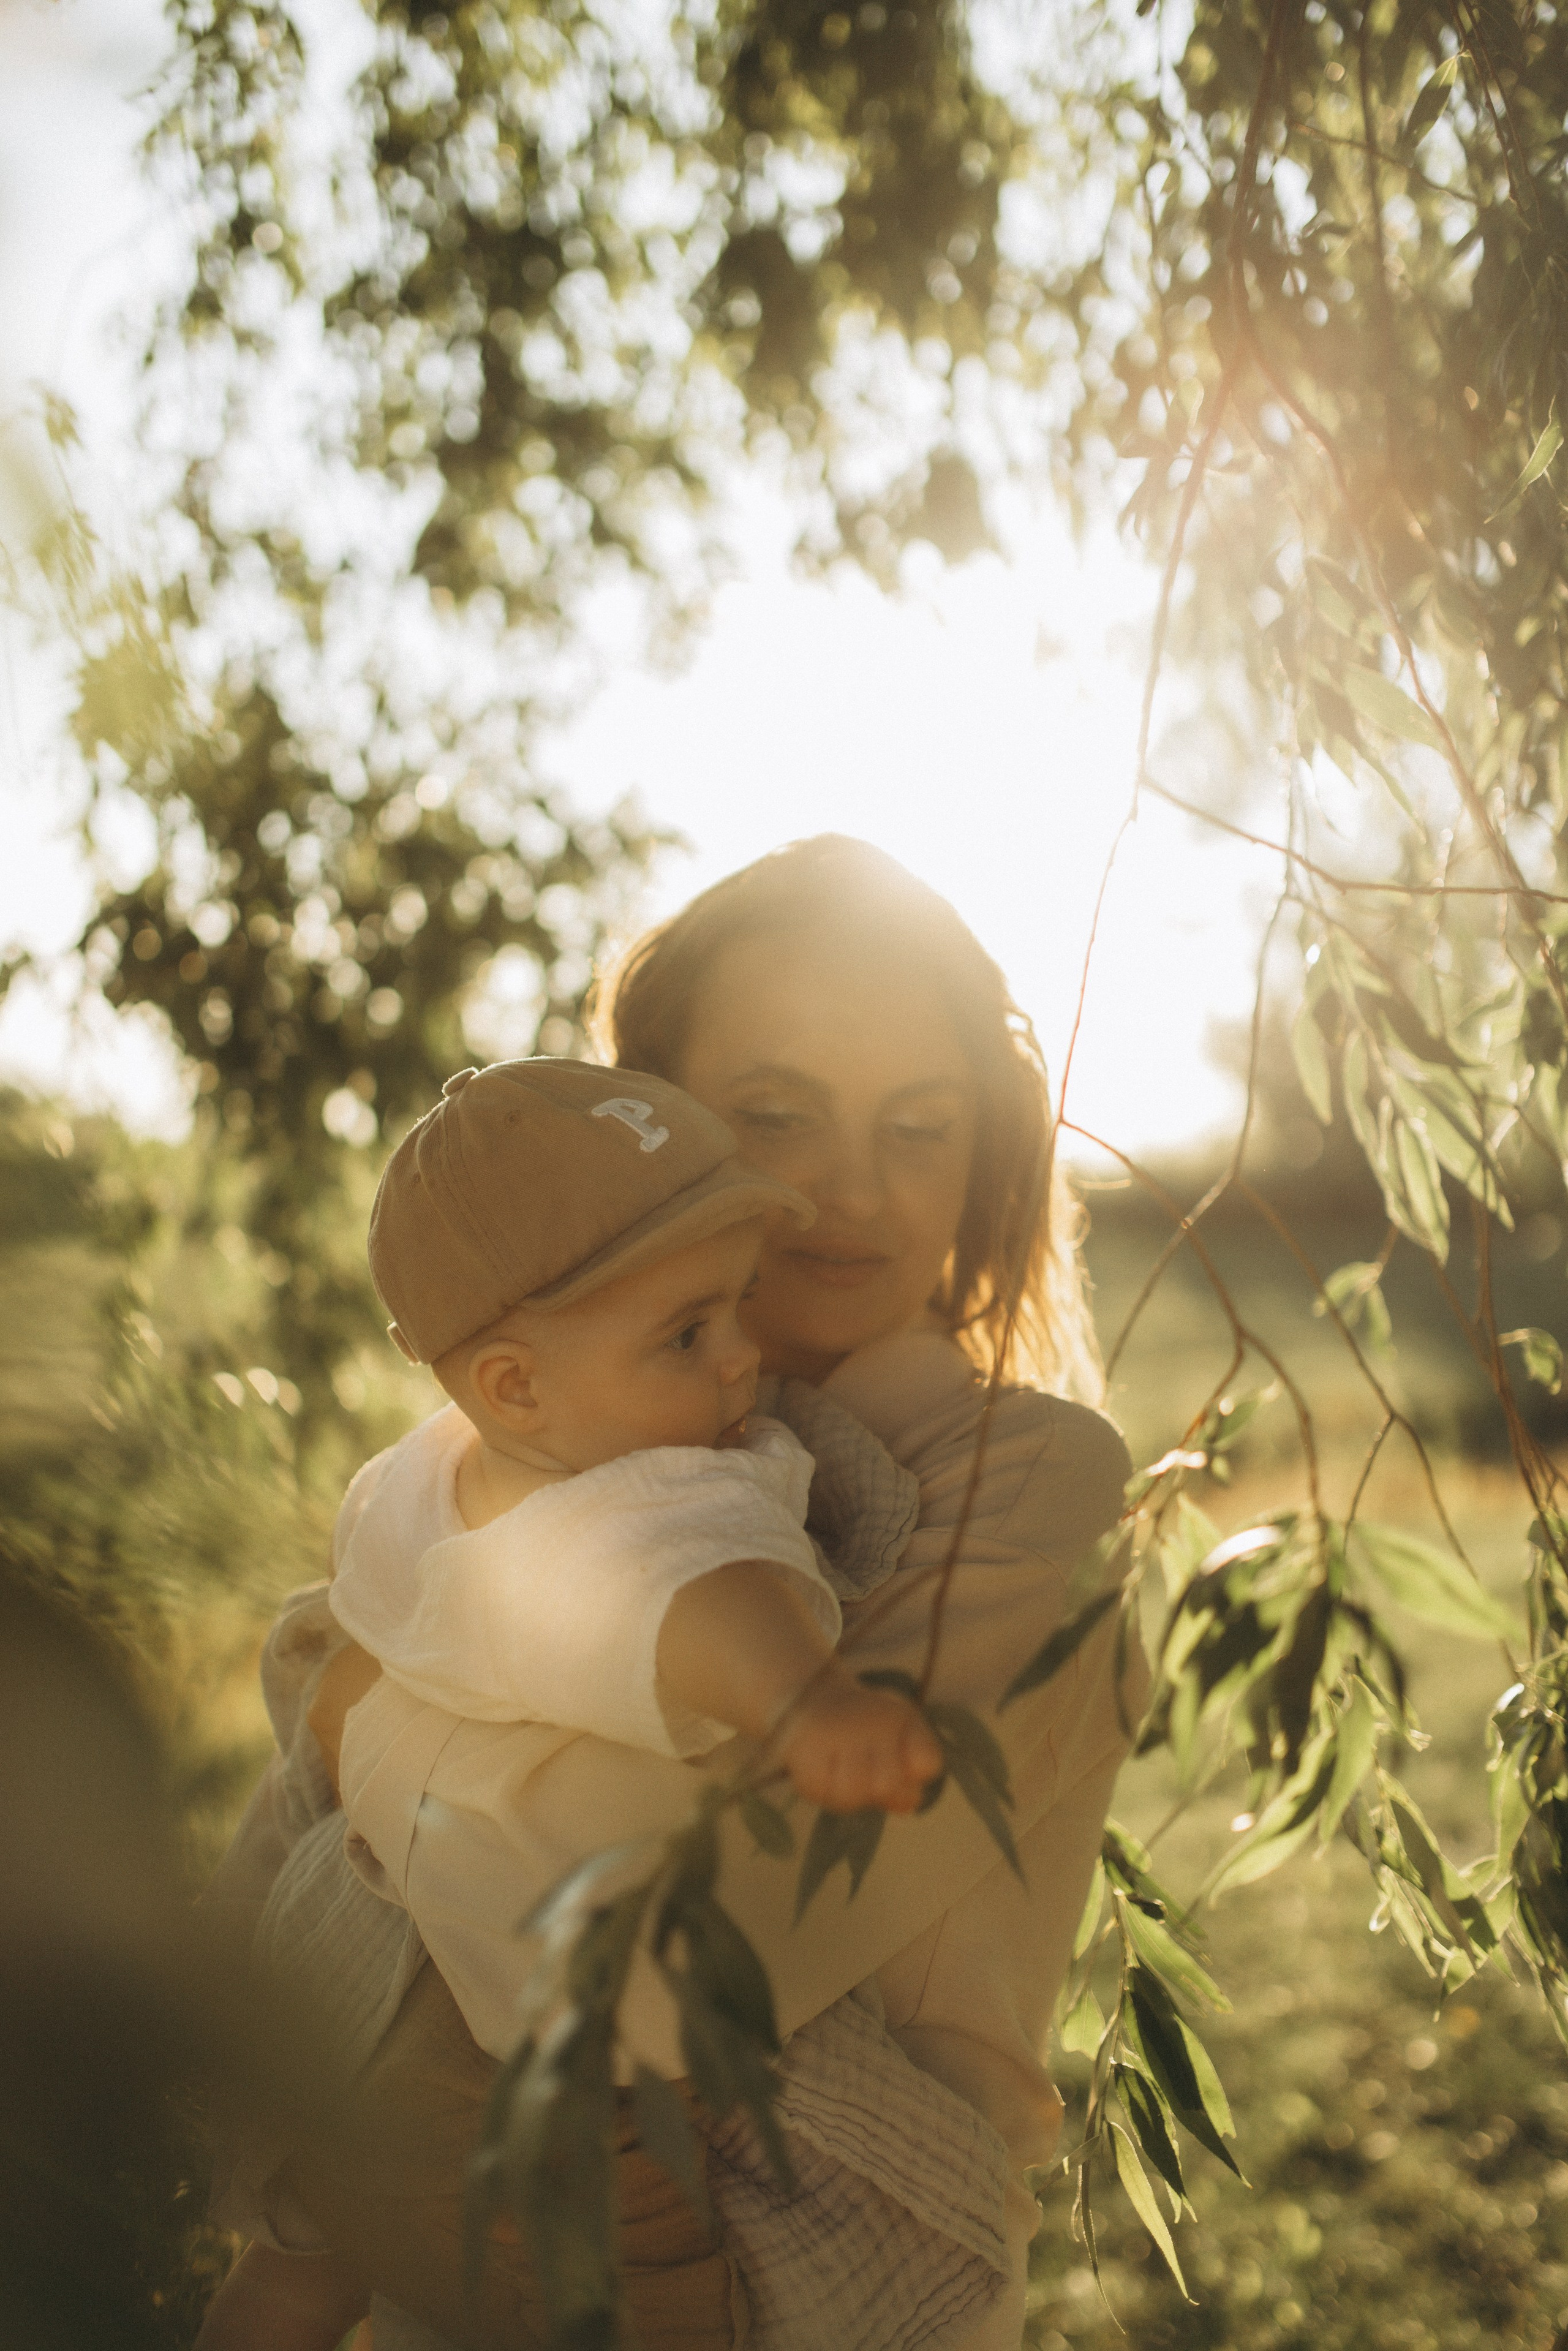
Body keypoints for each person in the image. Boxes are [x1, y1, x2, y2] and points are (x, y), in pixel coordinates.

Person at [201, 836, 1143, 2351]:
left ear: (984, 1158)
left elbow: (688, 1952)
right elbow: (254, 1922)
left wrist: (358, 1705)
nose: (848, 1187)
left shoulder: (1029, 1492)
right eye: (774, 1114)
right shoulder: (526, 1438)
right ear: (650, 1119)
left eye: (919, 1125)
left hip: (808, 2294)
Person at [197, 1057, 946, 2350]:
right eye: (688, 1330)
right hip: (542, 2073)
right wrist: (810, 1702)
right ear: (513, 1385)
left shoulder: (412, 1482)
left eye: (738, 1305)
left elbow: (335, 1650)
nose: (743, 1358)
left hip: (375, 2003)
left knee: (295, 2268)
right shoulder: (660, 1487)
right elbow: (704, 1602)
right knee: (645, 2290)